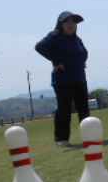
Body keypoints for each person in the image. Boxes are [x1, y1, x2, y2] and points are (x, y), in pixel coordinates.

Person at [35, 11, 90, 146]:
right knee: (64, 108)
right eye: (67, 22)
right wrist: (56, 60)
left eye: (73, 22)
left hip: (79, 78)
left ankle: (89, 135)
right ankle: (62, 138)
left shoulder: (77, 40)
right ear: (61, 24)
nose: (71, 25)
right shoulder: (55, 36)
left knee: (83, 108)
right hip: (63, 80)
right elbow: (39, 46)